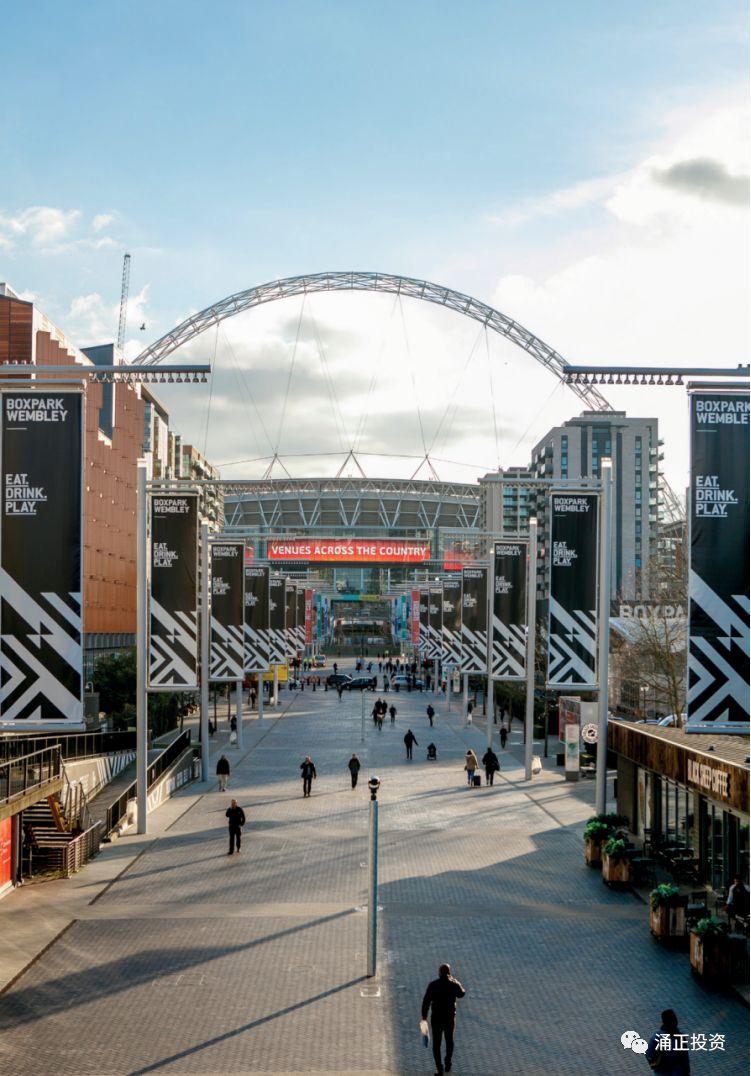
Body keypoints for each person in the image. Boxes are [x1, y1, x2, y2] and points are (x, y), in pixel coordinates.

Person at [421, 963, 465, 1076]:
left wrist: (424, 1016)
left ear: (439, 972)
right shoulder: (453, 985)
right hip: (449, 1018)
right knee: (449, 1040)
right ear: (449, 972)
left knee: (436, 1044)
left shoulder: (433, 985)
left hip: (436, 1018)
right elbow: (462, 994)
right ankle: (448, 1061)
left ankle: (439, 1068)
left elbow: (426, 1001)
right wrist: (455, 981)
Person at [645, 1009, 690, 1074]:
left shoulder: (657, 1037)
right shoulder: (680, 1038)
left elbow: (649, 1054)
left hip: (661, 1072)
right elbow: (685, 1061)